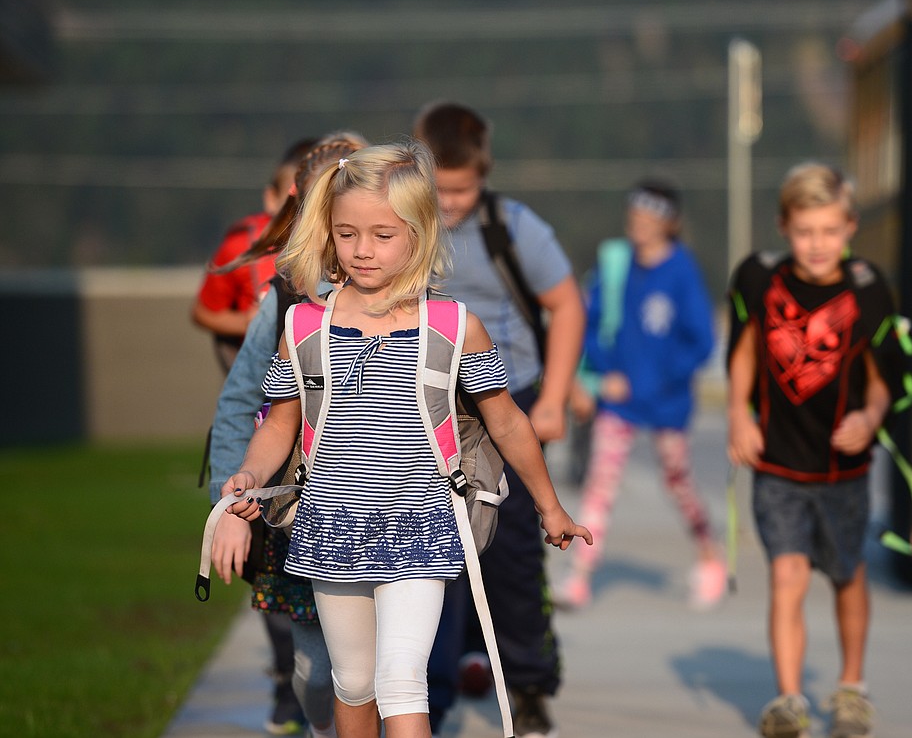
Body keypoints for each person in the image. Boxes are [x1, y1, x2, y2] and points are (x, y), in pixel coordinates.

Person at [222, 140, 592, 738]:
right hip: (329, 526)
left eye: (382, 235)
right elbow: (282, 423)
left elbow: (506, 421)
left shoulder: (452, 327)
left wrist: (550, 507)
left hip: (421, 523)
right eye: (347, 234)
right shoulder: (304, 326)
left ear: (419, 235)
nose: (362, 250)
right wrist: (248, 475)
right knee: (354, 682)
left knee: (400, 677)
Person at [413, 101, 586, 738]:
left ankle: (529, 683)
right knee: (427, 560)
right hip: (427, 415)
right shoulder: (402, 229)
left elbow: (565, 306)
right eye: (442, 188)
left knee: (511, 556)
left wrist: (554, 398)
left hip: (504, 406)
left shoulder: (512, 228)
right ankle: (432, 691)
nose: (452, 202)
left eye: (465, 188)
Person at [209, 131, 370, 738]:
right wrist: (230, 504)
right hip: (303, 517)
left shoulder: (411, 298)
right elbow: (240, 407)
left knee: (394, 669)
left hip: (399, 514)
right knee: (319, 672)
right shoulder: (282, 305)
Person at [726, 163, 894, 738]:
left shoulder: (868, 289)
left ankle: (851, 687)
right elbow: (746, 351)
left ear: (849, 227)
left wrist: (870, 418)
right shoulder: (762, 280)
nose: (817, 244)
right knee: (787, 574)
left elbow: (880, 375)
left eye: (829, 230)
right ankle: (790, 697)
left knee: (847, 573)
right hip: (777, 462)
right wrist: (737, 416)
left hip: (843, 466)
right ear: (784, 226)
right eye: (804, 231)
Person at [553, 179, 725, 611]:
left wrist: (654, 380)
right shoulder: (616, 264)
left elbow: (701, 342)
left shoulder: (682, 270)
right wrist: (601, 371)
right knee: (601, 485)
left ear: (670, 224)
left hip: (667, 402)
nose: (640, 227)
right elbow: (589, 321)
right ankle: (581, 575)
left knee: (678, 481)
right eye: (635, 218)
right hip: (619, 401)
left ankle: (709, 556)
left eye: (650, 220)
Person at [193, 137, 317, 373]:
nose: (305, 218)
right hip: (258, 377)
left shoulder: (346, 248)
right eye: (294, 205)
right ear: (271, 198)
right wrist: (247, 322)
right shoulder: (242, 246)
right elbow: (203, 311)